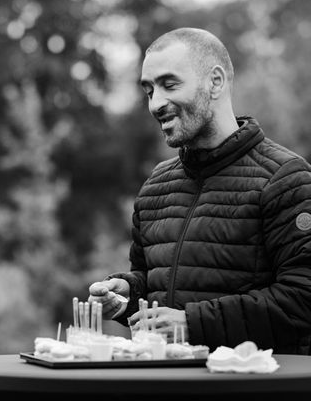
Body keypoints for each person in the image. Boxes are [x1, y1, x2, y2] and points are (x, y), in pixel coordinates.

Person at [88, 27, 311, 354]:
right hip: (170, 386)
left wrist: (191, 323)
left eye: (169, 84)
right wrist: (127, 297)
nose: (156, 103)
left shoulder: (286, 177)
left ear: (215, 82)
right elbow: (154, 283)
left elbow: (302, 298)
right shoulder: (156, 186)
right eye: (149, 90)